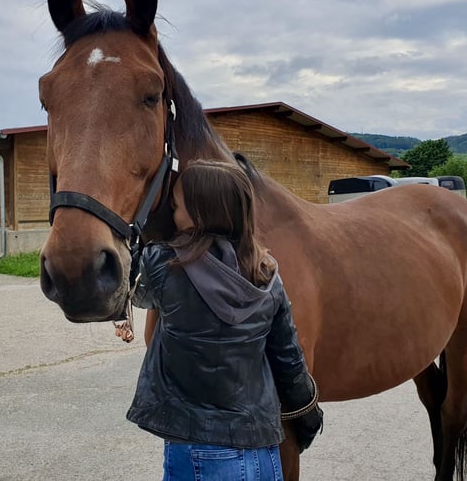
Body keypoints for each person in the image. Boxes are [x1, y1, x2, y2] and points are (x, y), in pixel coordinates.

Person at [127, 159, 323, 481]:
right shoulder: (267, 274)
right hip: (263, 449)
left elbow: (133, 292)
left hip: (196, 450)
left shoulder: (164, 265)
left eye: (177, 206)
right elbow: (289, 360)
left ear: (199, 213)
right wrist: (307, 418)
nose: (173, 214)